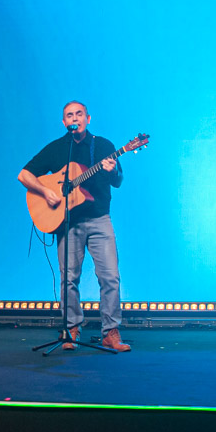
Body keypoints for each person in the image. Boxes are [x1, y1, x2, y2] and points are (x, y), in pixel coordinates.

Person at [18, 101, 130, 352]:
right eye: (70, 115)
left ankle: (111, 332)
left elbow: (118, 181)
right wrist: (46, 192)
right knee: (69, 279)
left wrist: (112, 171)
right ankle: (71, 330)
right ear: (64, 122)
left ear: (88, 118)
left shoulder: (104, 146)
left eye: (79, 114)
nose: (75, 118)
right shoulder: (58, 148)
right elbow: (24, 175)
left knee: (110, 277)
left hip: (99, 218)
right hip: (67, 223)